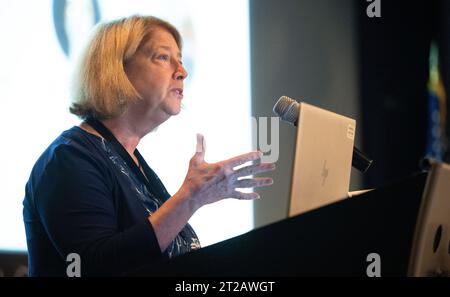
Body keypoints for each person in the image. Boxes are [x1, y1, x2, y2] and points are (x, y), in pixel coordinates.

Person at [23, 15, 275, 276]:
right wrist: (189, 199)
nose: (182, 70)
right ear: (117, 70)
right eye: (163, 57)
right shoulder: (69, 159)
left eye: (180, 58)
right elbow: (91, 268)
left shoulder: (130, 160)